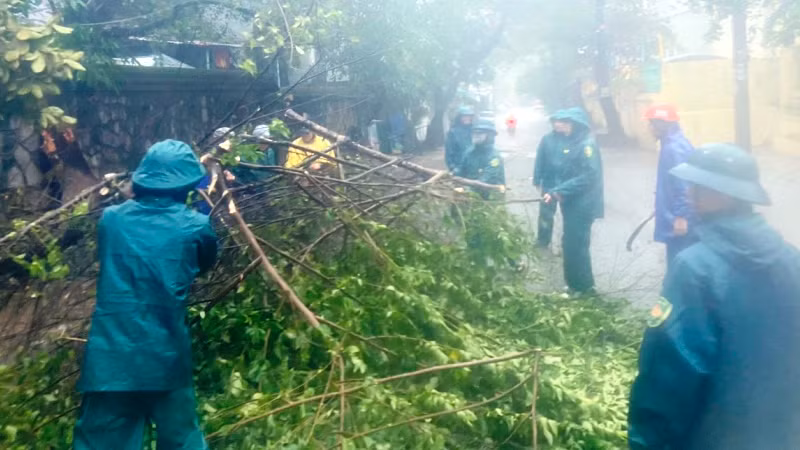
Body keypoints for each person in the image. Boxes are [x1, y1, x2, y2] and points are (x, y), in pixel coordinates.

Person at [628, 143, 800, 450]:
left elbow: (669, 376)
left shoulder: (695, 269)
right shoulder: (792, 260)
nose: (690, 195)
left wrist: (648, 442)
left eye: (698, 187)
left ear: (725, 194)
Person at [74, 140, 218, 449]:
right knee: (182, 440)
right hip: (165, 356)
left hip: (110, 358)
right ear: (188, 185)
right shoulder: (196, 226)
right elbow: (204, 263)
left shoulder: (111, 219)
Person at [542, 107, 603, 294]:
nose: (562, 127)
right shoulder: (571, 144)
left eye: (567, 123)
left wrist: (559, 190)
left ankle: (585, 288)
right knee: (569, 244)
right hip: (572, 202)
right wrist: (555, 190)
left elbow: (588, 176)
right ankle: (572, 285)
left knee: (577, 246)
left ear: (577, 126)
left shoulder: (586, 145)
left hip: (583, 205)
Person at [645, 104, 695, 266]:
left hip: (679, 218)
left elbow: (684, 185)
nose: (649, 128)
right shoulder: (674, 143)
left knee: (679, 262)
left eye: (651, 124)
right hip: (677, 213)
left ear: (660, 125)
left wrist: (681, 216)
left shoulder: (673, 149)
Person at [532, 113, 567, 249]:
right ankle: (543, 240)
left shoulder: (570, 139)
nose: (557, 124)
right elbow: (540, 159)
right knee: (546, 214)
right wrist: (537, 178)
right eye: (555, 122)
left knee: (568, 214)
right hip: (548, 182)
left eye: (560, 121)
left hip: (566, 184)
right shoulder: (546, 139)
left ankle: (567, 241)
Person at [455, 117, 506, 199]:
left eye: (480, 133)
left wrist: (465, 189)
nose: (476, 135)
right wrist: (452, 178)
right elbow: (461, 171)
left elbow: (485, 180)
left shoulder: (494, 157)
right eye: (474, 133)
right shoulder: (469, 152)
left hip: (490, 198)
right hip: (469, 195)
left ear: (489, 135)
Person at [445, 106, 475, 172]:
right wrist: (452, 167)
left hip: (474, 166)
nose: (467, 118)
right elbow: (449, 152)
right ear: (459, 117)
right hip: (458, 166)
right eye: (464, 116)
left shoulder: (475, 130)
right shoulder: (453, 132)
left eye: (469, 116)